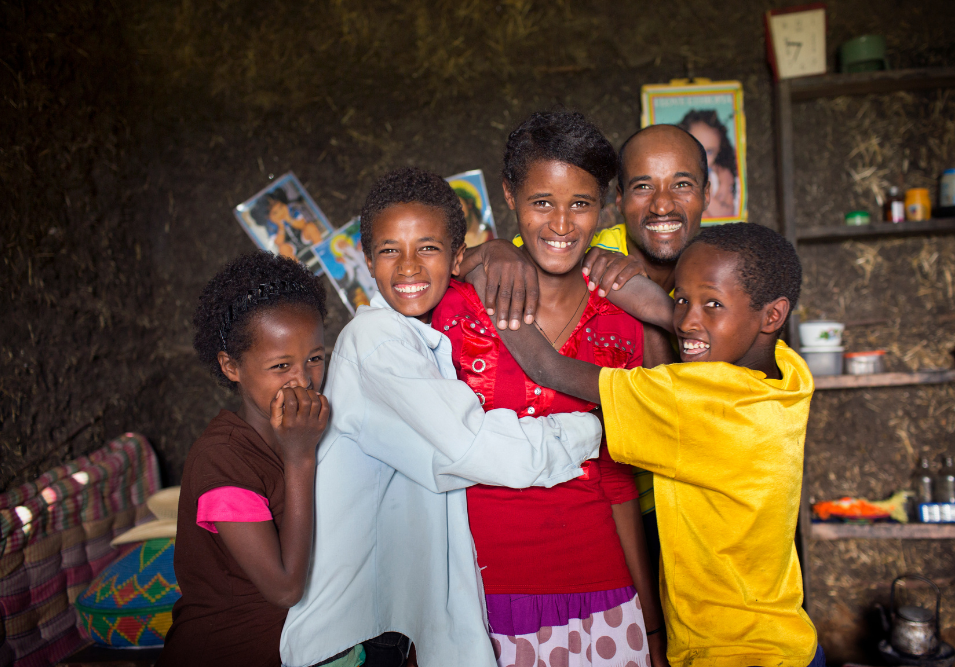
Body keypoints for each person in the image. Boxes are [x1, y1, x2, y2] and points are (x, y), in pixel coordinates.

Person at [279, 167, 605, 667]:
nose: (408, 266)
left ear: (456, 257)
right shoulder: (376, 343)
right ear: (367, 261)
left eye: (427, 248)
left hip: (384, 628)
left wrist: (489, 255)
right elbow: (478, 448)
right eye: (390, 250)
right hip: (350, 639)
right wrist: (597, 425)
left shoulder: (427, 339)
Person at [470, 222, 825, 667]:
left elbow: (547, 368)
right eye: (680, 298)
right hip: (787, 636)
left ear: (771, 315)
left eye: (712, 304)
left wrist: (491, 281)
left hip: (729, 651)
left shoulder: (694, 404)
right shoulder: (789, 376)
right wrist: (609, 274)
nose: (686, 319)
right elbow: (687, 324)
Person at [433, 111, 666, 667]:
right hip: (477, 594)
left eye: (580, 204)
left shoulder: (621, 321)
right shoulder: (454, 310)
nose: (561, 223)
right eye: (542, 202)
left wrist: (652, 626)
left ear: (603, 206)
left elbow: (616, 478)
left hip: (602, 595)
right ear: (510, 194)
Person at [459, 122, 712, 573]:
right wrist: (494, 250)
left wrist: (665, 314)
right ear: (617, 201)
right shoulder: (588, 248)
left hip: (702, 493)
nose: (662, 204)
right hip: (616, 503)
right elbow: (503, 256)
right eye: (641, 186)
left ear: (707, 194)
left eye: (683, 185)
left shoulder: (728, 263)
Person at [161, 252, 360, 667]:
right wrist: (300, 457)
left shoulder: (320, 424)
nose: (303, 380)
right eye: (281, 365)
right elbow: (285, 588)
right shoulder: (222, 463)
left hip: (302, 643)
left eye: (315, 358)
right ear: (231, 366)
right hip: (232, 651)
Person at [678, 109, 738, 219]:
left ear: (718, 151)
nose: (702, 157)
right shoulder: (675, 176)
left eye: (709, 152)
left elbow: (728, 212)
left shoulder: (719, 177)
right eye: (695, 148)